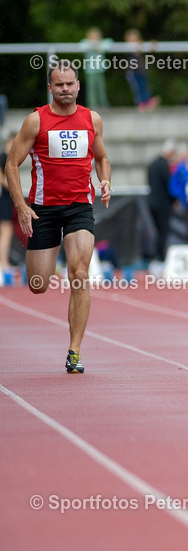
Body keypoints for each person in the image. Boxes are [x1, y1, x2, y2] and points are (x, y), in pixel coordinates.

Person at [4, 59, 112, 372]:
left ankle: (74, 351)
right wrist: (22, 206)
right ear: (50, 87)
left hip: (80, 206)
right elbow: (11, 165)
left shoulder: (92, 119)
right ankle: (47, 262)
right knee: (38, 282)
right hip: (43, 210)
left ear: (79, 86)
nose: (65, 89)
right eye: (59, 84)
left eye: (70, 84)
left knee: (79, 274)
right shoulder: (35, 121)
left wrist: (104, 180)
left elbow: (102, 158)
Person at [145, 139, 177, 271]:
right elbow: (169, 185)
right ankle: (160, 258)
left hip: (152, 202)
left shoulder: (152, 164)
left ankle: (156, 258)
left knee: (158, 232)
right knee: (163, 232)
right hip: (163, 204)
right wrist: (174, 200)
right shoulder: (164, 165)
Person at [124, 29, 160, 111]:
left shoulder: (141, 46)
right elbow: (132, 54)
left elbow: (148, 52)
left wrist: (152, 45)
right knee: (137, 87)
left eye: (135, 39)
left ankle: (147, 100)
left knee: (144, 85)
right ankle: (141, 103)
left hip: (141, 70)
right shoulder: (126, 48)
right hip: (133, 72)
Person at [78, 27, 111, 108]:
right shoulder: (86, 43)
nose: (94, 38)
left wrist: (99, 46)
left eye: (96, 36)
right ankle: (92, 105)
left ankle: (103, 104)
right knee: (91, 89)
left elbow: (109, 43)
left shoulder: (102, 43)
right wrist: (93, 46)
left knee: (101, 88)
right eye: (92, 36)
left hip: (100, 70)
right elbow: (81, 45)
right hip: (90, 71)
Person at [0, 137, 14, 282]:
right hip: (2, 199)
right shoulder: (2, 158)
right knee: (6, 231)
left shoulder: (8, 159)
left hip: (5, 199)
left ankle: (4, 263)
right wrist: (13, 189)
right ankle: (3, 263)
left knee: (6, 231)